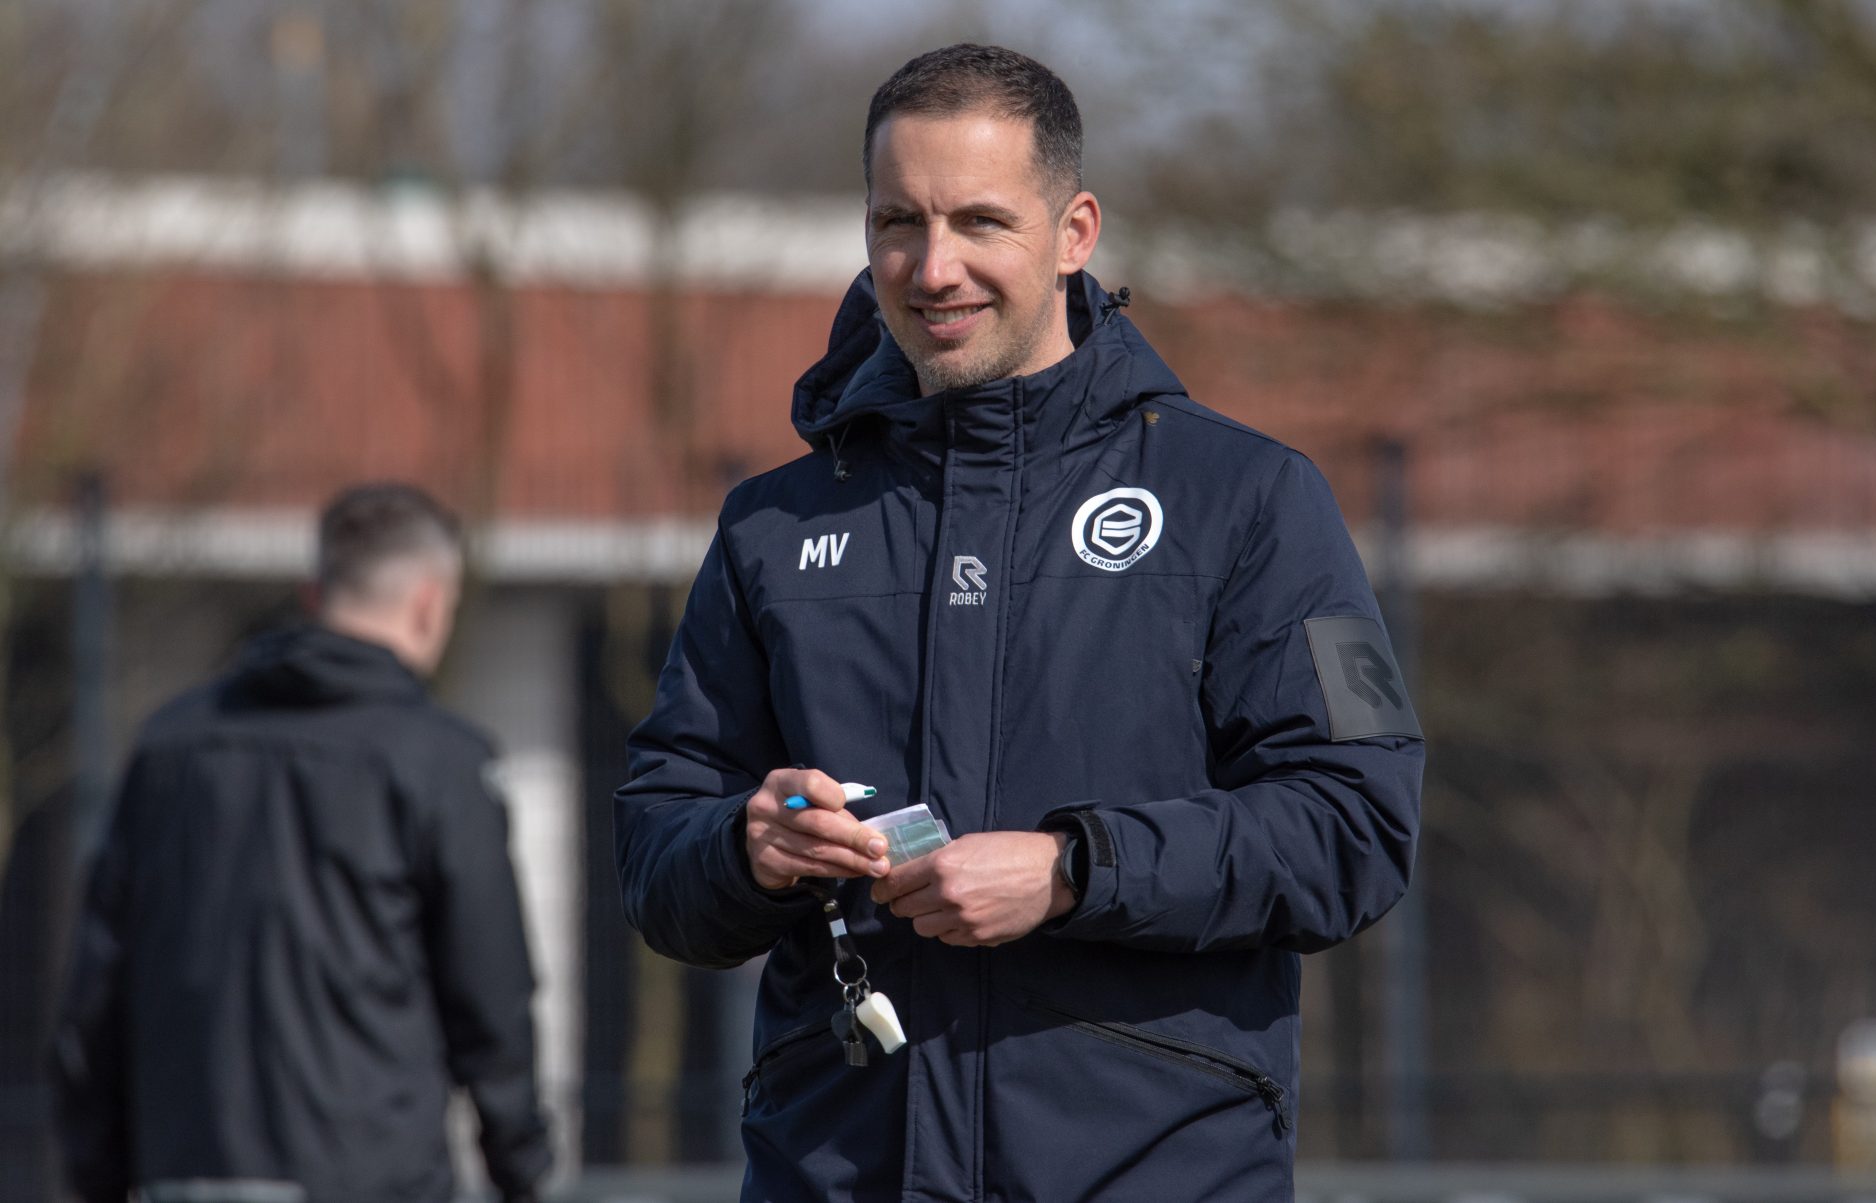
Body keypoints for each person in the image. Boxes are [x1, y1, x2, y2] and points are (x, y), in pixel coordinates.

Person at [617, 43, 1424, 1202]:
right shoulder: (771, 526)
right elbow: (656, 844)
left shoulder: (1248, 498)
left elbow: (1355, 826)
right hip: (837, 1172)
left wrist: (1074, 870)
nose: (933, 267)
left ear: (1074, 232)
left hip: (1155, 1176)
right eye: (899, 222)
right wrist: (747, 851)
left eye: (980, 221)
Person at [53, 483, 551, 1203]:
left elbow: (94, 995)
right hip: (372, 1179)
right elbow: (492, 999)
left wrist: (99, 1172)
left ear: (313, 594)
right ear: (429, 603)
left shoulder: (167, 747)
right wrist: (521, 1169)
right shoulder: (440, 761)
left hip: (188, 1172)